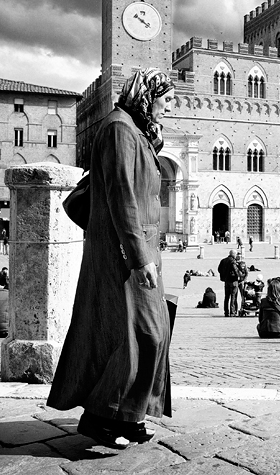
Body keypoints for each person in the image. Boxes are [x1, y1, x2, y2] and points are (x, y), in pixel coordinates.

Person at [46, 67, 175, 449]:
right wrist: (138, 257)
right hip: (123, 253)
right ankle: (100, 417)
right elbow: (122, 196)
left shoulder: (134, 130)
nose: (170, 107)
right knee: (136, 335)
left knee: (150, 332)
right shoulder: (119, 129)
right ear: (148, 95)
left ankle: (130, 416)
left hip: (139, 250)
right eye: (167, 100)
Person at [218, 249, 241, 317]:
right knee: (233, 297)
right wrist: (239, 276)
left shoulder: (223, 260)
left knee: (226, 297)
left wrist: (224, 275)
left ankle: (226, 312)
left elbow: (219, 269)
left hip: (226, 281)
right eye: (235, 254)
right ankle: (232, 312)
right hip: (233, 281)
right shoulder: (232, 261)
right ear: (233, 254)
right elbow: (235, 270)